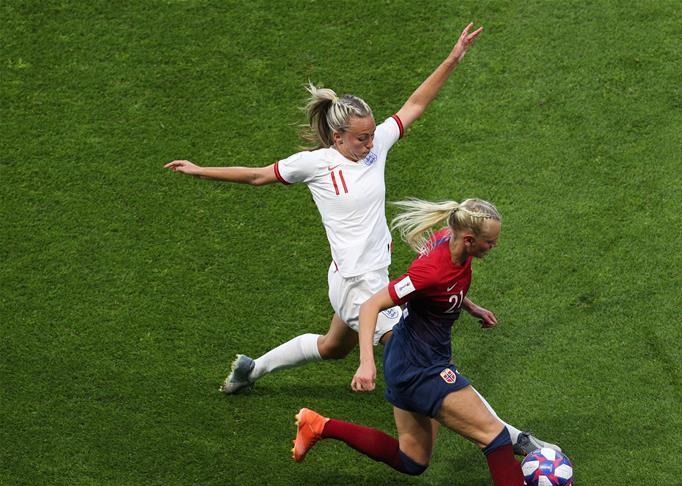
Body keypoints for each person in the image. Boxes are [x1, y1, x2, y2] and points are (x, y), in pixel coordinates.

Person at [164, 24, 556, 457]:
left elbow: (416, 104)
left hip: (369, 277)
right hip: (355, 284)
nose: (370, 143)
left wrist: (453, 57)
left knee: (333, 347)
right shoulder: (314, 164)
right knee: (422, 360)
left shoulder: (376, 148)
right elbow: (258, 175)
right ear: (337, 137)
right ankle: (514, 438)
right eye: (360, 137)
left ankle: (250, 369)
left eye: (372, 134)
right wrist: (200, 169)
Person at [292, 198, 580, 486]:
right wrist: (367, 363)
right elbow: (371, 306)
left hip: (414, 359)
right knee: (493, 437)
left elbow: (445, 291)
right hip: (419, 368)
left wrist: (470, 306)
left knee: (411, 461)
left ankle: (319, 426)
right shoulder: (431, 269)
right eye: (490, 242)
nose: (495, 247)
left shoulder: (455, 245)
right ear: (470, 238)